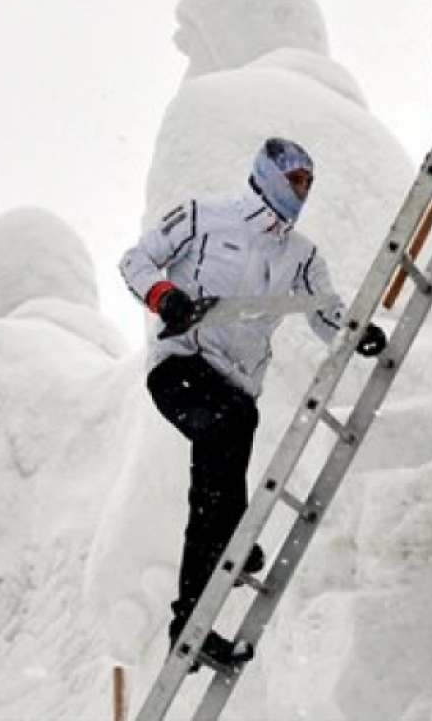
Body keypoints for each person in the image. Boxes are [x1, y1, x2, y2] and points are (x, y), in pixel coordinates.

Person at [118, 136, 387, 669]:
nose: (303, 191)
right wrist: (165, 297)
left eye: (309, 182)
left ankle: (190, 624)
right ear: (268, 174)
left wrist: (361, 334)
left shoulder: (301, 257)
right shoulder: (204, 216)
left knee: (214, 482)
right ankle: (235, 539)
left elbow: (325, 312)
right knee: (229, 430)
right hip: (181, 369)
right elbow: (136, 260)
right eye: (296, 179)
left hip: (237, 392)